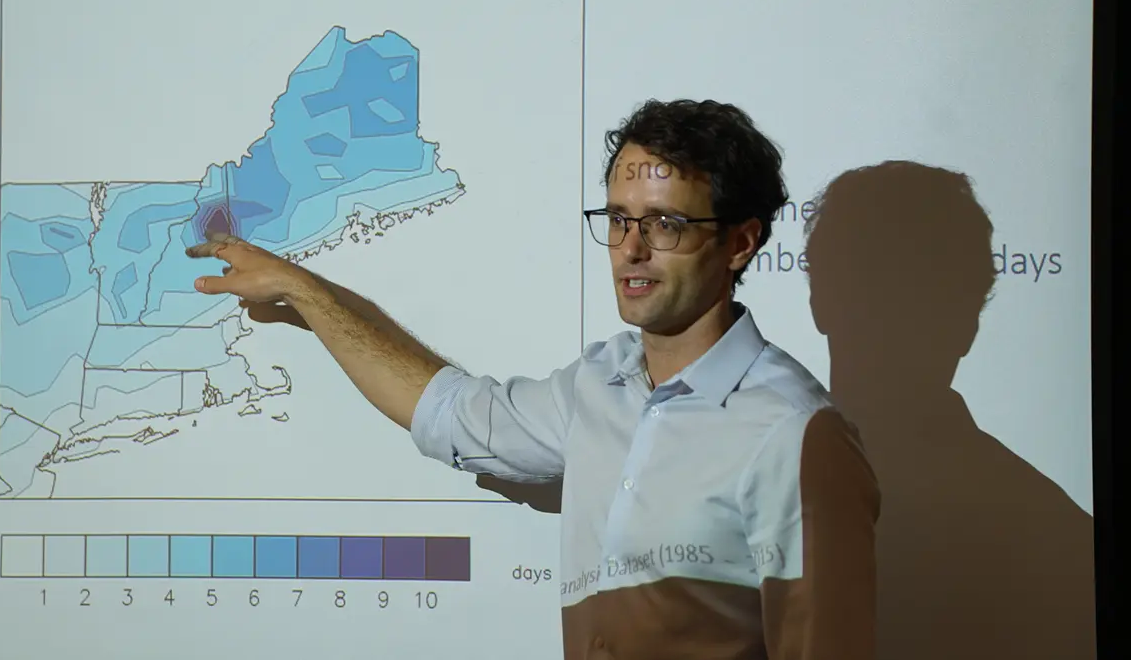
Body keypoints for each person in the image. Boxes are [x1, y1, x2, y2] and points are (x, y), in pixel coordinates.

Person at [186, 98, 879, 660]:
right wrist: (305, 293)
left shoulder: (793, 433)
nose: (630, 249)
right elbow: (450, 413)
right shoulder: (597, 385)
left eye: (665, 223)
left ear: (740, 241)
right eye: (617, 220)